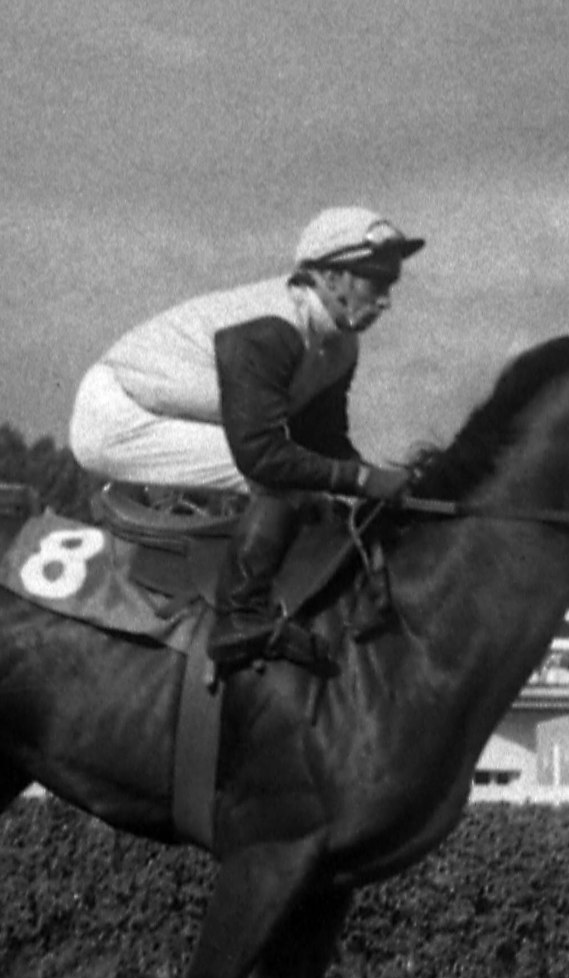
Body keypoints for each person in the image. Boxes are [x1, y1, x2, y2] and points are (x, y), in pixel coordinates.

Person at [67, 206, 423, 669]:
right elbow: (262, 456)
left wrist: (372, 488)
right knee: (283, 479)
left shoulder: (339, 343)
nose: (386, 300)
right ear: (332, 278)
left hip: (174, 412)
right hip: (119, 414)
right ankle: (240, 618)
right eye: (376, 281)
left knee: (313, 479)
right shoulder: (272, 328)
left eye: (390, 284)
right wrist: (361, 480)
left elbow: (323, 438)